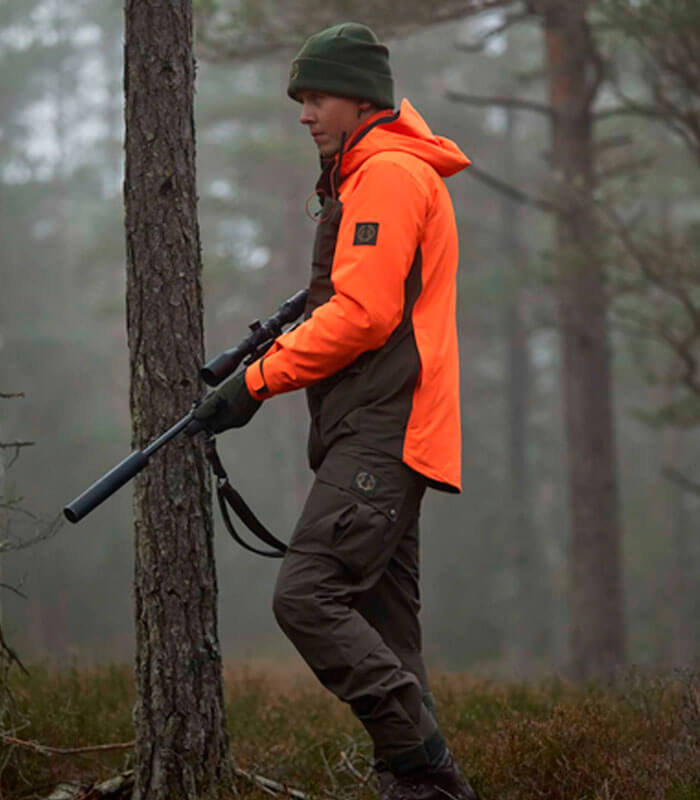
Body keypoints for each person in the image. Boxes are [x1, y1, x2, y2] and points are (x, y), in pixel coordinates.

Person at [193, 22, 477, 800]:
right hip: (383, 425)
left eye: (315, 97)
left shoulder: (386, 174)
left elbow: (362, 315)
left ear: (359, 99)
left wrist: (253, 386)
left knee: (307, 595)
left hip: (386, 430)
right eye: (299, 99)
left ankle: (426, 762)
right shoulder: (370, 174)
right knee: (387, 633)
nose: (303, 114)